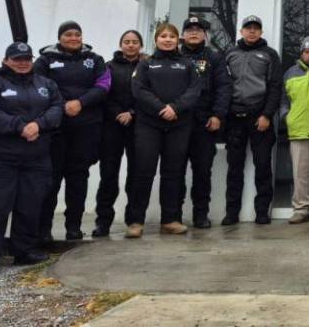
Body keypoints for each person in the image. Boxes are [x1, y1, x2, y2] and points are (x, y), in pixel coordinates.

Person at [0, 42, 63, 274]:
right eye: (17, 59)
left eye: (26, 59)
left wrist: (38, 125)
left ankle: (24, 251)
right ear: (6, 61)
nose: (22, 63)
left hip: (36, 158)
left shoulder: (46, 84)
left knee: (30, 206)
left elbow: (57, 108)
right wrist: (20, 127)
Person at [34, 20, 110, 242]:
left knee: (78, 178)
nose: (73, 38)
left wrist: (80, 103)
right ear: (60, 38)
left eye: (77, 34)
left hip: (86, 128)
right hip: (55, 129)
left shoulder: (95, 60)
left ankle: (74, 228)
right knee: (51, 179)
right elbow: (38, 87)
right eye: (68, 34)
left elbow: (104, 86)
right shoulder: (45, 60)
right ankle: (43, 230)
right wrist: (63, 105)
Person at [125, 23, 202, 237]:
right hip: (149, 125)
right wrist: (161, 108)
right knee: (143, 171)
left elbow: (194, 90)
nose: (168, 40)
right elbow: (139, 89)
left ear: (178, 40)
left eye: (172, 36)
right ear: (156, 39)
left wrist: (175, 108)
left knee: (173, 173)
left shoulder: (187, 64)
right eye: (163, 36)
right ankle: (135, 222)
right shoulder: (146, 64)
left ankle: (170, 220)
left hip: (179, 125)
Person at [223, 14, 283, 225]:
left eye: (256, 28)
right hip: (234, 118)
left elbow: (275, 87)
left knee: (263, 166)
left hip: (260, 118)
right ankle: (231, 213)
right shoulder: (230, 53)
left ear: (261, 32)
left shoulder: (269, 54)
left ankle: (262, 212)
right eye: (248, 28)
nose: (252, 31)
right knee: (234, 168)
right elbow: (223, 85)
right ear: (241, 31)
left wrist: (266, 115)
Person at [178, 16, 232, 229]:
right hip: (177, 123)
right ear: (183, 35)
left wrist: (218, 115)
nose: (194, 32)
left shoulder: (214, 57)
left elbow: (224, 88)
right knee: (175, 171)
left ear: (205, 35)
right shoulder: (175, 56)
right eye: (189, 29)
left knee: (202, 172)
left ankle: (201, 215)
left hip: (204, 123)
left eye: (198, 30)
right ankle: (173, 215)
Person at [91, 30, 145, 237]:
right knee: (108, 176)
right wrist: (118, 113)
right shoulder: (108, 67)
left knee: (136, 176)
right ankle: (103, 221)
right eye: (126, 41)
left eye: (135, 42)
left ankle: (134, 220)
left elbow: (149, 93)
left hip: (139, 126)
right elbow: (103, 93)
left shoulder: (147, 66)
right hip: (112, 126)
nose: (130, 45)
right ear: (121, 44)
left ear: (140, 45)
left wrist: (132, 112)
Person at [281, 35, 309, 223]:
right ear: (301, 54)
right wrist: (286, 116)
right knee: (301, 173)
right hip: (298, 130)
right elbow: (283, 100)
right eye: (307, 52)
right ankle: (301, 209)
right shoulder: (290, 73)